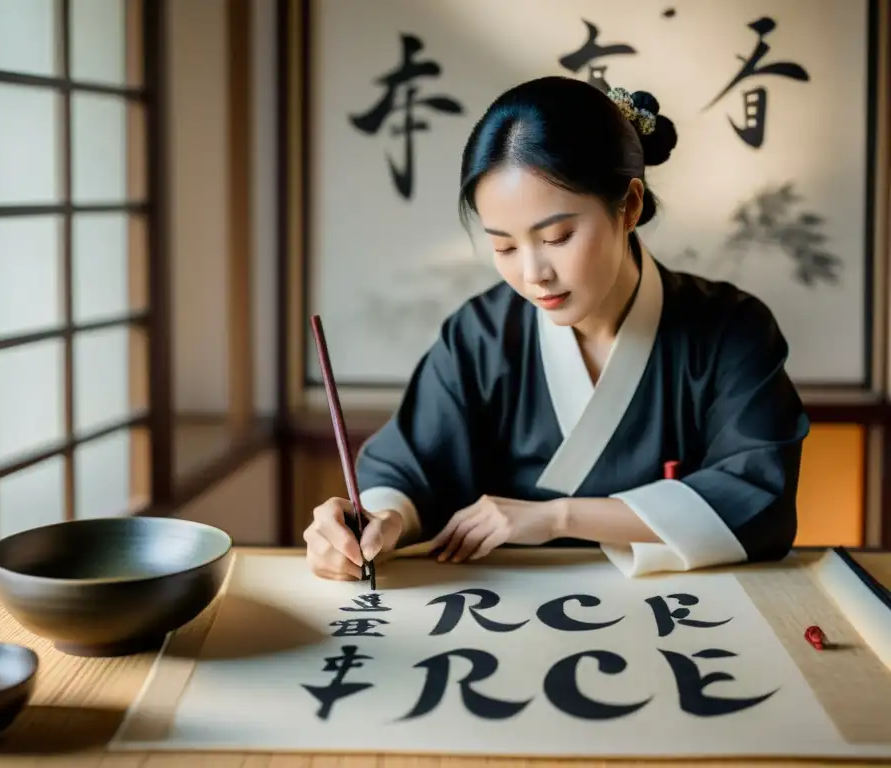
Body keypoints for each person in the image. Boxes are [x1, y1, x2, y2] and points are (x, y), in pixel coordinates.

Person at [303, 75, 810, 580]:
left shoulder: (731, 330)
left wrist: (558, 517)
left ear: (628, 206)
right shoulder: (480, 335)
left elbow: (758, 495)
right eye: (503, 246)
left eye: (558, 236)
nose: (532, 274)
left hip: (681, 614)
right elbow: (409, 467)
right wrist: (377, 522)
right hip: (503, 614)